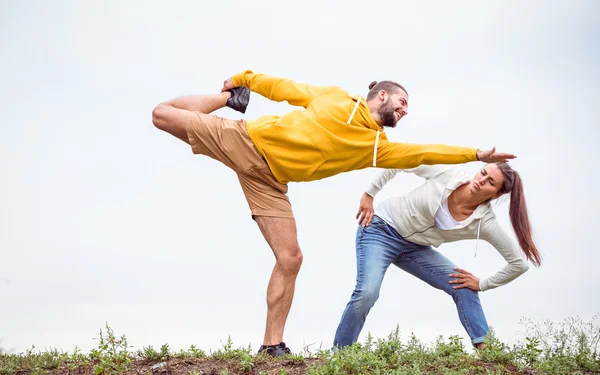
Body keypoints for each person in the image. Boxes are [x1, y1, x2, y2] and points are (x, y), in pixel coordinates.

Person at [151, 69, 516, 356]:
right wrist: (245, 80)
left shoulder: (377, 148)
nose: (405, 110)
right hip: (245, 140)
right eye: (402, 102)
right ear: (382, 95)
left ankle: (271, 345)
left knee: (291, 258)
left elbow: (422, 153)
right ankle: (225, 100)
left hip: (271, 182)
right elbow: (284, 88)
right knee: (162, 115)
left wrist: (476, 155)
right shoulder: (336, 98)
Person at [332, 162, 542, 350]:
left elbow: (518, 264)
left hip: (415, 249)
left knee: (464, 287)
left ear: (496, 194)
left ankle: (487, 353)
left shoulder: (485, 222)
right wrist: (369, 194)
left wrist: (482, 283)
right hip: (381, 229)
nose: (481, 180)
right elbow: (400, 161)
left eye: (490, 182)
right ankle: (341, 355)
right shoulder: (448, 174)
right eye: (483, 173)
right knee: (368, 291)